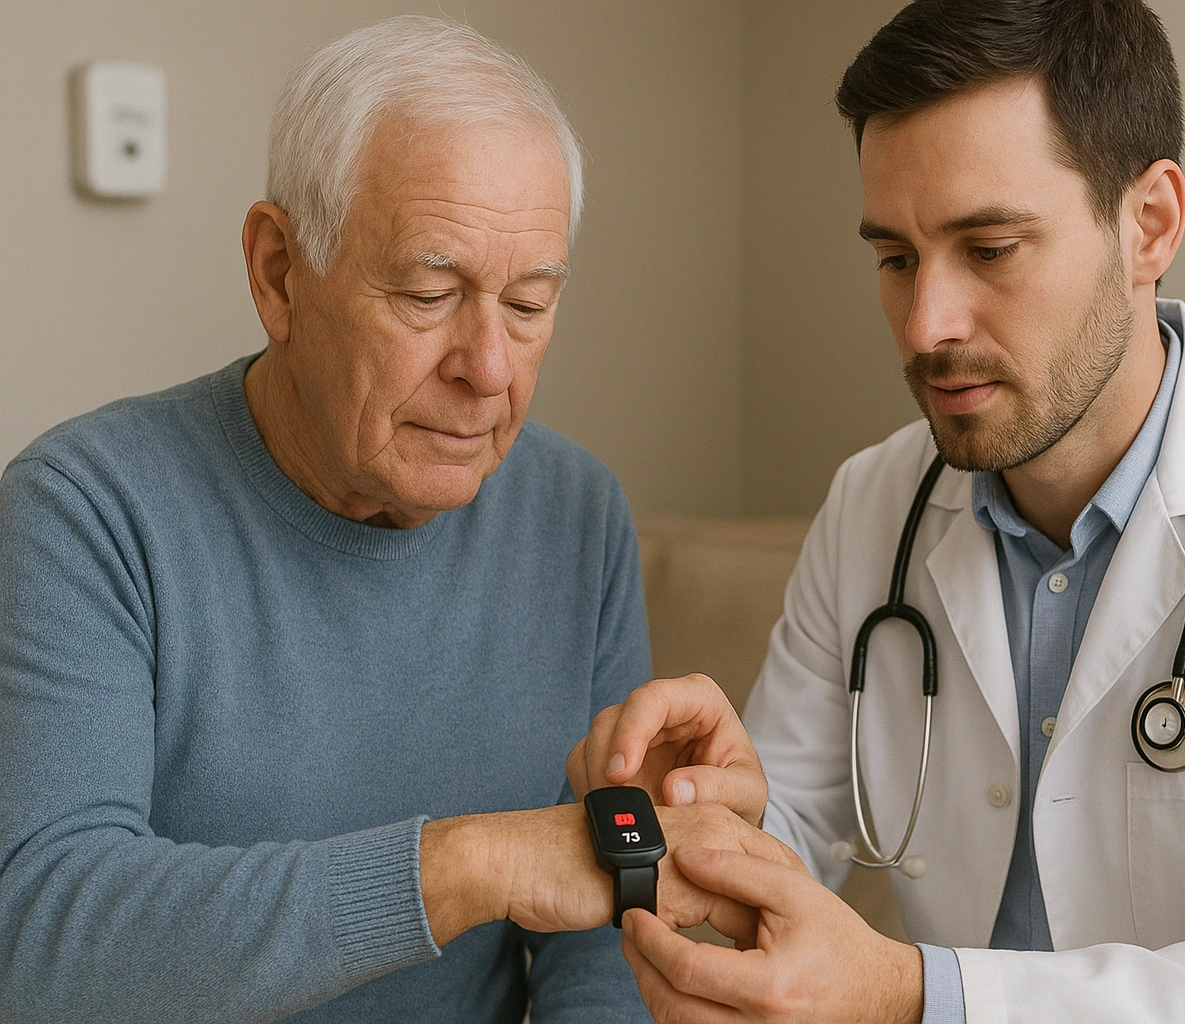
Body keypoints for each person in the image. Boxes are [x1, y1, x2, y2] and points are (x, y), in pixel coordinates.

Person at [567, 1, 1185, 1021]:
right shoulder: (875, 503)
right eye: (895, 257)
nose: (927, 326)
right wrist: (707, 815)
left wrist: (915, 991)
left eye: (991, 248)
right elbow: (786, 838)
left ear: (1150, 225)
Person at [0, 16, 780, 1023]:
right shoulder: (87, 511)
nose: (488, 367)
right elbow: (37, 939)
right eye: (428, 293)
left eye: (531, 304)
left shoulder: (578, 514)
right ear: (279, 273)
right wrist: (470, 864)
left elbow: (604, 918)